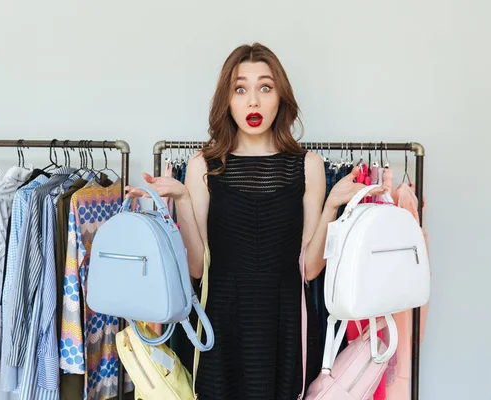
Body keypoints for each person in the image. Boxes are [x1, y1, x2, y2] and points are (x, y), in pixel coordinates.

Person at [125, 43, 387, 400]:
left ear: (281, 97)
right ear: (227, 100)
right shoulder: (203, 166)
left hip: (284, 321)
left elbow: (308, 269)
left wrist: (331, 210)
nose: (253, 101)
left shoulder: (308, 165)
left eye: (265, 87)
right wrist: (183, 200)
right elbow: (198, 267)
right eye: (240, 89)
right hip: (220, 320)